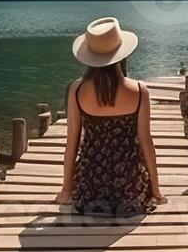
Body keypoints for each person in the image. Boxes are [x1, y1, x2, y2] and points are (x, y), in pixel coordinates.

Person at [56, 17, 166, 216]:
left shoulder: (77, 89)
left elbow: (71, 142)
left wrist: (66, 190)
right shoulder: (140, 91)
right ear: (122, 54)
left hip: (90, 192)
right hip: (131, 192)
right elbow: (146, 142)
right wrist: (156, 189)